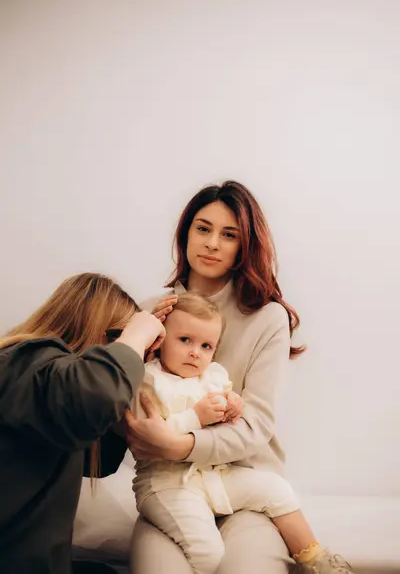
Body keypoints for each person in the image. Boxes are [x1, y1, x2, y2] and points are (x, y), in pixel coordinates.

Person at [126, 180, 352, 574]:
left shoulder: (267, 318)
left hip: (246, 484)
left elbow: (255, 425)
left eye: (229, 234)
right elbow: (134, 420)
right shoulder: (149, 312)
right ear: (185, 235)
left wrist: (177, 443)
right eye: (202, 228)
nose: (213, 243)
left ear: (246, 245)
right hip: (169, 488)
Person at [131, 292, 353, 574]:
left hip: (214, 474)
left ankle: (317, 563)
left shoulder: (211, 375)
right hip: (168, 482)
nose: (195, 352)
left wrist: (234, 404)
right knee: (209, 552)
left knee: (276, 490)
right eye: (184, 340)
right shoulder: (148, 379)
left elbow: (236, 414)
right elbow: (146, 436)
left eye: (206, 345)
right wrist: (194, 418)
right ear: (161, 341)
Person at [0, 272, 165, 574]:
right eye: (118, 338)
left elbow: (95, 463)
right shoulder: (29, 362)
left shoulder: (36, 378)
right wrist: (137, 335)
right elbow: (95, 395)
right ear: (97, 330)